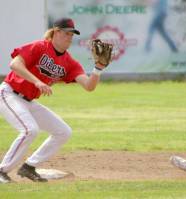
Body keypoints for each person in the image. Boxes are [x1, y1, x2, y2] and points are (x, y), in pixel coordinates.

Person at [0, 18, 111, 183]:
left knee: (63, 132)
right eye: (66, 33)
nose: (70, 37)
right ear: (56, 32)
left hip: (29, 101)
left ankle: (29, 167)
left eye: (72, 35)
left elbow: (89, 86)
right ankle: (2, 171)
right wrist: (37, 81)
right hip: (9, 93)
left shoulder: (69, 62)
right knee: (30, 130)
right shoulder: (39, 47)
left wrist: (98, 69)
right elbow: (15, 64)